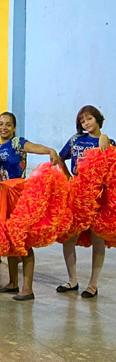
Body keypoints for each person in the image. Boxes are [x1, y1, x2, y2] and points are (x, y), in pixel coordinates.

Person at [0, 112, 62, 296]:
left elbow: (33, 147)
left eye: (8, 125)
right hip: (3, 198)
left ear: (14, 128)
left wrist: (49, 150)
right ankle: (12, 282)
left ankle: (27, 288)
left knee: (23, 242)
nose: (3, 128)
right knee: (9, 240)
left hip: (18, 198)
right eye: (1, 124)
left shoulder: (17, 143)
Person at [57, 105, 111, 299]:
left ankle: (93, 284)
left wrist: (105, 140)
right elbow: (59, 157)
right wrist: (67, 176)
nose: (86, 123)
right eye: (82, 121)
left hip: (98, 196)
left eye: (89, 119)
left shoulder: (108, 142)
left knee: (98, 238)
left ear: (97, 119)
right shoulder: (75, 140)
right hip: (77, 193)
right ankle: (72, 281)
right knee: (68, 236)